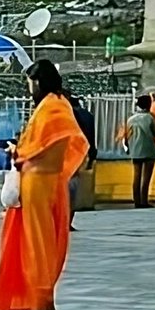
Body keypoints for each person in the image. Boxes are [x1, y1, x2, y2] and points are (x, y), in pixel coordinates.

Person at [0, 60, 89, 310]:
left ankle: (40, 302)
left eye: (30, 83)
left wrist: (16, 151)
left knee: (35, 243)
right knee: (48, 242)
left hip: (38, 183)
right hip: (53, 182)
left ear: (38, 82)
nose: (29, 88)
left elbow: (34, 149)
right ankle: (46, 300)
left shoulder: (50, 108)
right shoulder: (61, 104)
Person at [122, 95, 155, 209]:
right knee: (146, 177)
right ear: (149, 104)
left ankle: (137, 201)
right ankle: (144, 201)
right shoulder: (150, 118)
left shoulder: (131, 119)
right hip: (148, 150)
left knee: (136, 176)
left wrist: (128, 147)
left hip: (135, 150)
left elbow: (126, 135)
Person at [66, 96, 97, 232]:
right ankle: (68, 221)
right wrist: (92, 155)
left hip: (63, 157)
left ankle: (61, 222)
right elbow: (90, 137)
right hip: (78, 155)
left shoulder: (65, 115)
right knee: (72, 191)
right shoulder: (87, 116)